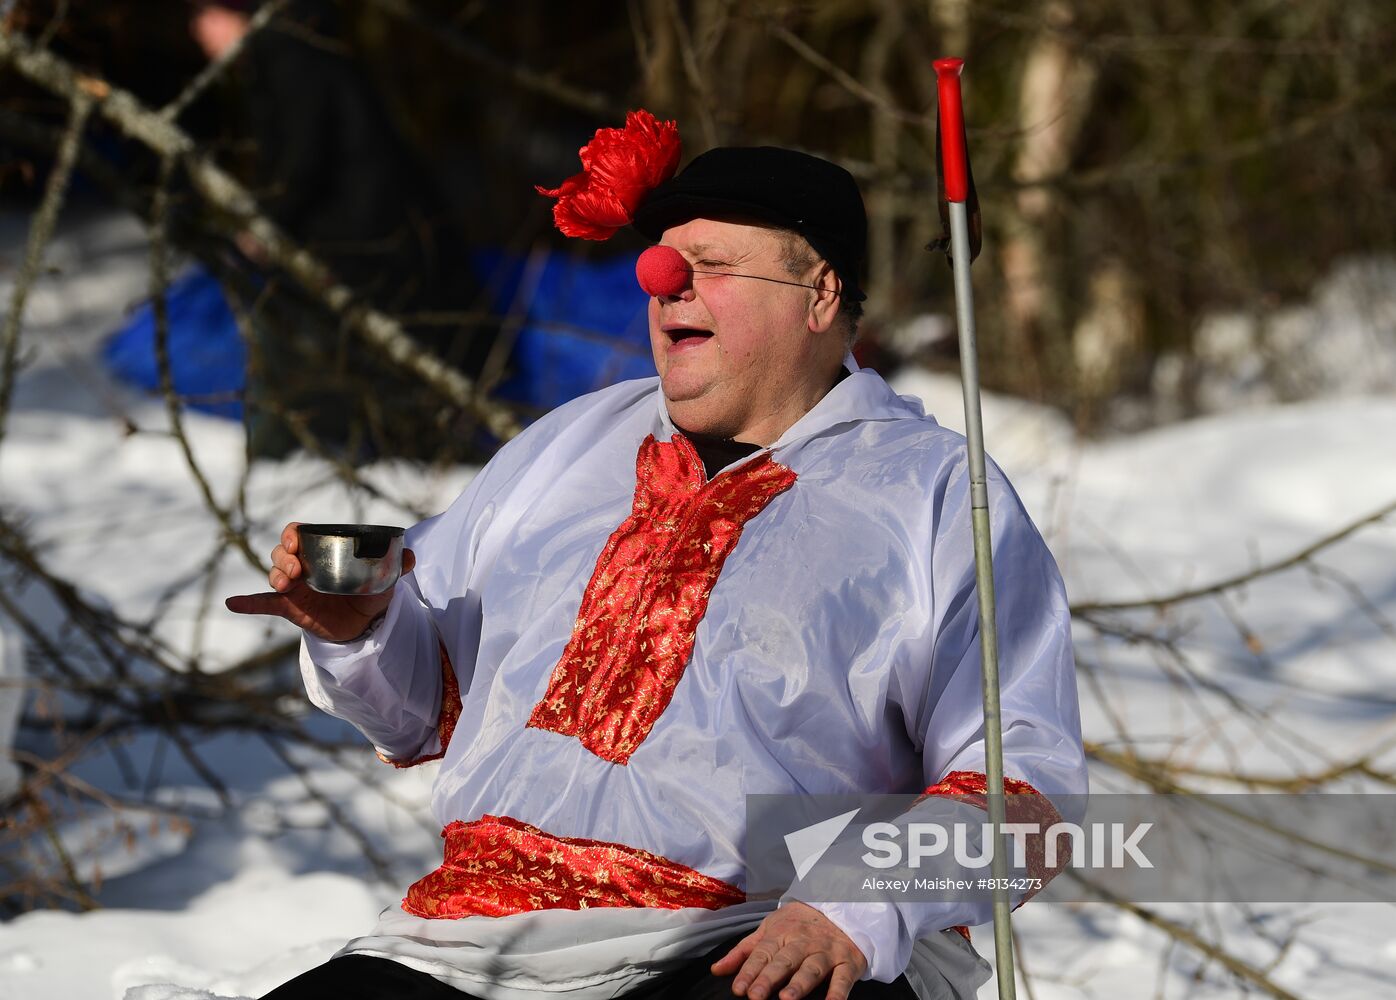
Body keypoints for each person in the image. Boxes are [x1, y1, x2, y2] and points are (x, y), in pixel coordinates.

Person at [227, 115, 1087, 1000]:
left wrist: (853, 906)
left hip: (754, 944)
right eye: (664, 265)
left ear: (820, 293)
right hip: (471, 944)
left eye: (711, 265)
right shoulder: (566, 444)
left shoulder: (932, 493)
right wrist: (359, 631)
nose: (667, 286)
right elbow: (424, 709)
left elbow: (1026, 793)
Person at [189, 0, 489, 460]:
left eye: (203, 18)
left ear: (229, 13)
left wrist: (265, 224)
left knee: (365, 346)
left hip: (366, 235)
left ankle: (298, 445)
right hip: (369, 230)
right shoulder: (296, 44)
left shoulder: (286, 56)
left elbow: (302, 159)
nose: (199, 35)